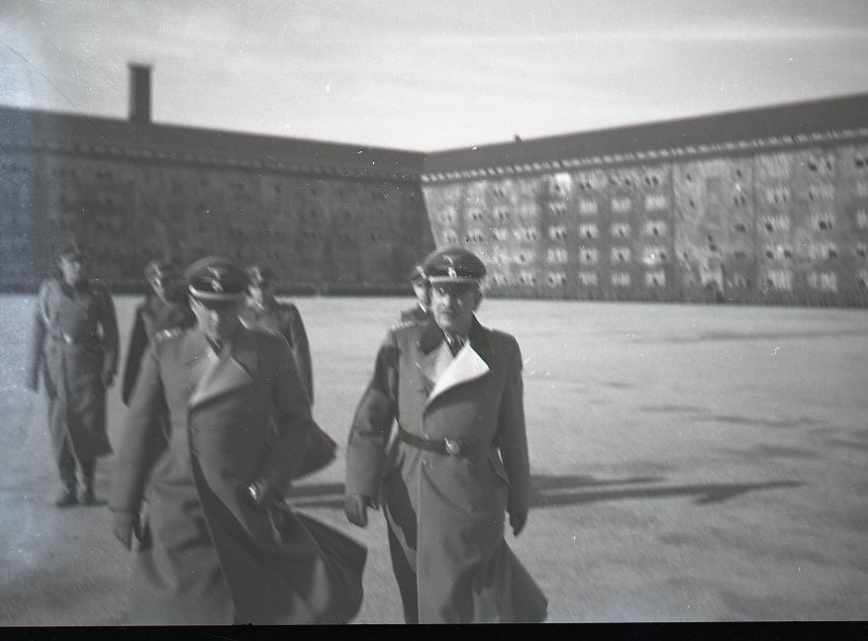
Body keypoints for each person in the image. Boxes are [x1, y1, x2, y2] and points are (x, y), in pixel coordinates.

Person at [109, 256, 366, 624]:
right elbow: (140, 425)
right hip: (178, 503)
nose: (217, 318)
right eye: (208, 307)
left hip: (244, 502)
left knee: (256, 602)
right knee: (176, 608)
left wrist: (271, 481)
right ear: (193, 304)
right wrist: (124, 505)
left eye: (227, 307)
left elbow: (297, 424)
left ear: (243, 303)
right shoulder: (169, 350)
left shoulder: (269, 350)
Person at [344, 246, 548, 623]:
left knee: (479, 600)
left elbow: (513, 431)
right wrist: (359, 482)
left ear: (477, 299)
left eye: (459, 293)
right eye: (440, 291)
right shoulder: (402, 343)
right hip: (412, 487)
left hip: (476, 490)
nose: (448, 302)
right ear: (430, 294)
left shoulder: (502, 349)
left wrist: (520, 495)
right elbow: (372, 418)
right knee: (421, 597)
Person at [26, 242, 119, 507]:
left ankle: (88, 488)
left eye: (82, 262)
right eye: (72, 262)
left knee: (89, 426)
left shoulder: (99, 292)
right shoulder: (48, 290)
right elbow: (37, 331)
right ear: (61, 265)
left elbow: (111, 334)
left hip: (89, 366)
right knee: (60, 428)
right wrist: (32, 372)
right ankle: (68, 487)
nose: (78, 267)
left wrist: (109, 367)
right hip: (56, 366)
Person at [120, 259, 195, 405]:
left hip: (184, 376)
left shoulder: (191, 309)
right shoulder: (146, 312)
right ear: (152, 284)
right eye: (158, 282)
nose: (163, 287)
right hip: (155, 375)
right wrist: (129, 387)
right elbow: (135, 351)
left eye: (169, 281)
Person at [239, 263, 313, 403]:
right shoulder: (241, 314)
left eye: (265, 286)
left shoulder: (288, 314)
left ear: (273, 285)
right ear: (249, 288)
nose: (260, 292)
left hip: (279, 384)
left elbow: (300, 353)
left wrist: (304, 394)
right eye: (255, 287)